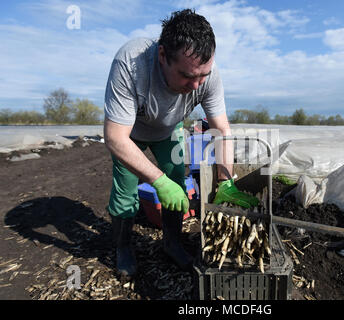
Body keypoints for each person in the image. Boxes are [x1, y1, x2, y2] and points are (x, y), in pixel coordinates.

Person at [103, 9, 259, 277]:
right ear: (163, 56)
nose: (197, 85)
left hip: (169, 128)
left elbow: (221, 129)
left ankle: (172, 243)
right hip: (131, 133)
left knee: (177, 178)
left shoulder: (206, 74)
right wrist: (157, 180)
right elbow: (115, 137)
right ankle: (124, 246)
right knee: (126, 191)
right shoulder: (130, 63)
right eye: (188, 76)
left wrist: (226, 180)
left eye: (203, 75)